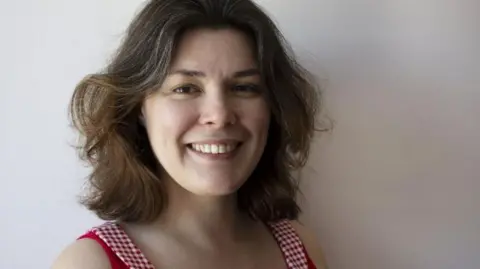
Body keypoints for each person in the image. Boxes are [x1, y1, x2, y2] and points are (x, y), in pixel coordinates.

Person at [52, 0, 328, 268]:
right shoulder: (90, 263)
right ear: (138, 108)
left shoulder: (301, 247)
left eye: (244, 88)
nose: (219, 115)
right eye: (185, 88)